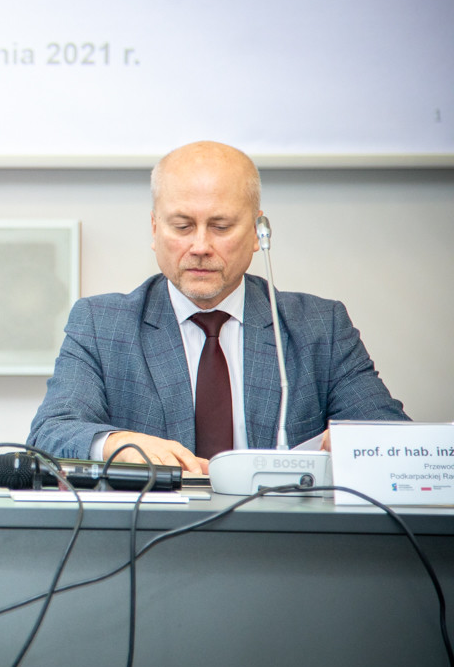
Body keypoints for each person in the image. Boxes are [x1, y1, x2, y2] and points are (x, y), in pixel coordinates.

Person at [28, 140, 407, 474]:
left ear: (258, 232)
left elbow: (395, 438)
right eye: (182, 226)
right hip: (153, 528)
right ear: (155, 229)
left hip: (281, 528)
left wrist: (361, 442)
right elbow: (50, 433)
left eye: (221, 227)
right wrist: (118, 444)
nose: (200, 246)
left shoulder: (320, 326)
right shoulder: (102, 325)